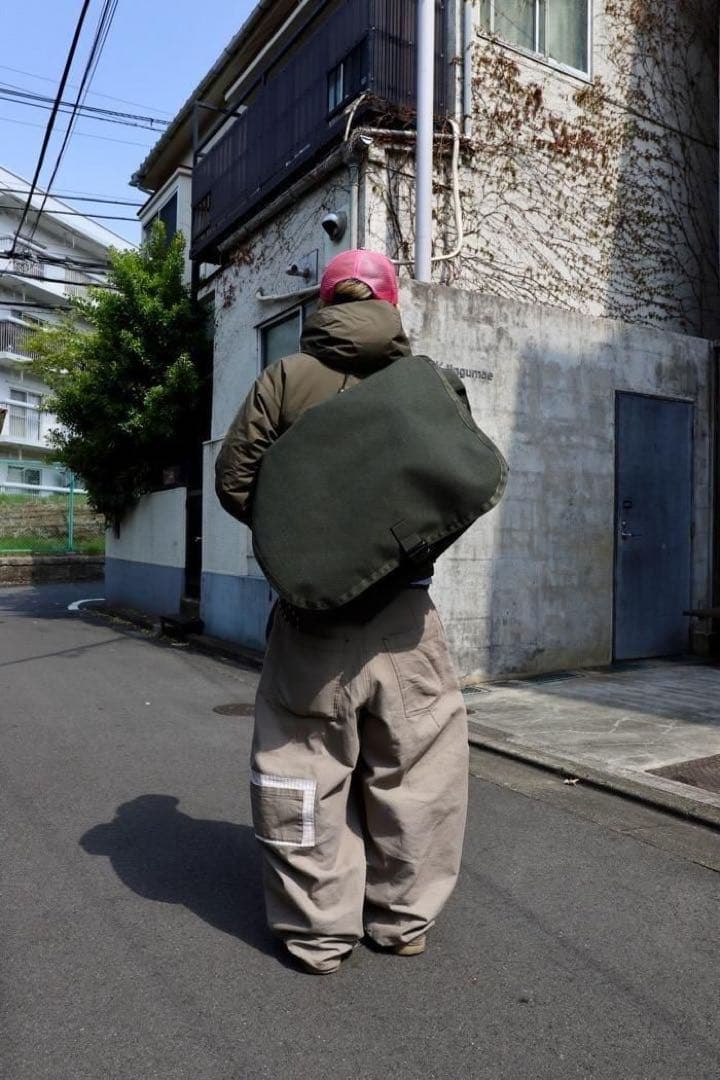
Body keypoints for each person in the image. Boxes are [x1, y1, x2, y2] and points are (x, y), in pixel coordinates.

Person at [215, 249, 469, 975]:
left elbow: (235, 480)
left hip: (311, 617)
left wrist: (304, 541)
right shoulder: (427, 383)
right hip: (406, 617)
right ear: (392, 305)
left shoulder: (285, 378)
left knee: (303, 769)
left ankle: (318, 933)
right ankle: (402, 921)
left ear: (323, 305)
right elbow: (455, 485)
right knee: (417, 774)